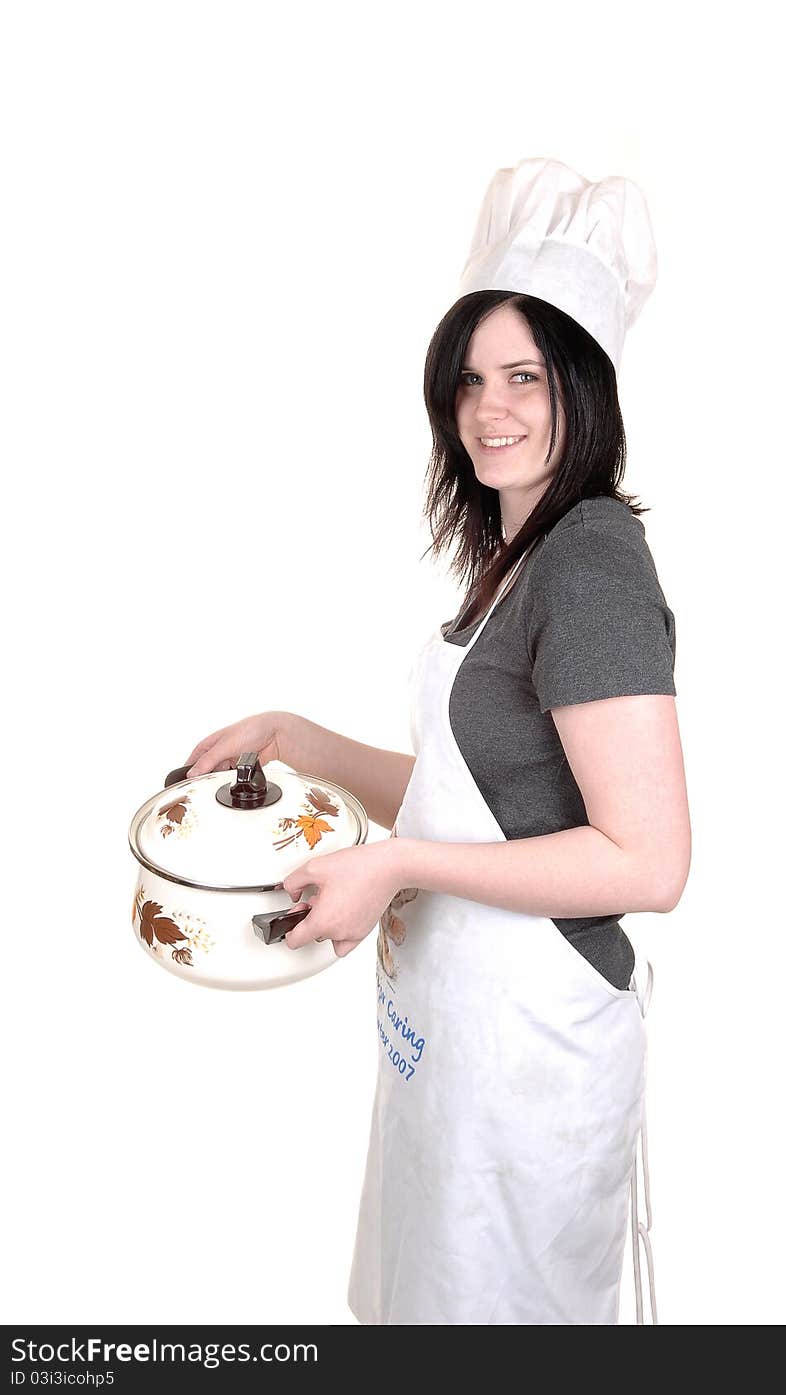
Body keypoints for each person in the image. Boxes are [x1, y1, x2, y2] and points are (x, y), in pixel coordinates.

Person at [184, 158, 691, 1325]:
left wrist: (395, 864)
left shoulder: (592, 565)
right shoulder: (518, 555)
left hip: (525, 1059)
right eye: (467, 380)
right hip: (452, 1046)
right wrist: (301, 739)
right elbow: (492, 797)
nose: (488, 410)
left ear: (584, 386)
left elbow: (647, 862)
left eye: (523, 375)